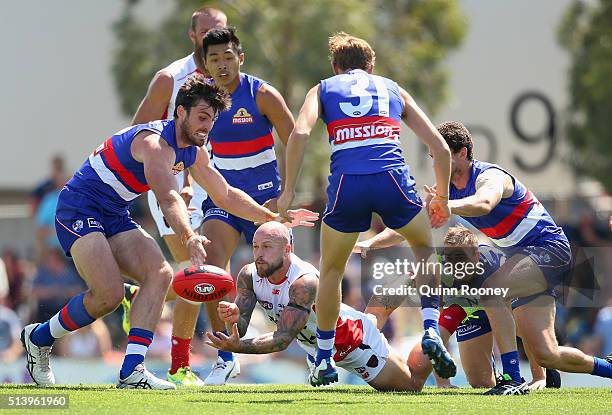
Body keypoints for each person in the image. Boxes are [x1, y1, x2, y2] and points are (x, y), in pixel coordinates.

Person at [20, 76, 317, 389]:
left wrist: (273, 216)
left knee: (159, 274)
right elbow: (168, 198)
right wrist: (189, 236)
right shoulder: (155, 144)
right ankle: (38, 339)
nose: (207, 126)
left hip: (114, 213)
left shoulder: (192, 150)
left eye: (213, 120)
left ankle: (132, 371)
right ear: (180, 113)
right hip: (79, 208)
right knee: (107, 295)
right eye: (202, 117)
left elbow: (225, 194)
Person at [363, 121, 612, 394]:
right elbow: (411, 225)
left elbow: (484, 203)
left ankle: (512, 379)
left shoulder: (489, 177)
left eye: (440, 156)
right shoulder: (447, 190)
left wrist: (445, 205)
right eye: (434, 157)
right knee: (546, 354)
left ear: (462, 152)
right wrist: (372, 243)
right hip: (523, 260)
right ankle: (608, 369)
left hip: (549, 249)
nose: (436, 163)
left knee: (491, 292)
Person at [277, 32, 454, 386]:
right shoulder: (392, 88)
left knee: (331, 270)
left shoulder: (323, 89)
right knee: (423, 249)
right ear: (371, 66)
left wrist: (288, 192)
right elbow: (441, 148)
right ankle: (431, 329)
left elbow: (299, 132)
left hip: (348, 185)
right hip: (393, 179)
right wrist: (442, 198)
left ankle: (325, 359)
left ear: (334, 66)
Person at [167, 26, 295, 385]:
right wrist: (190, 184)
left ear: (240, 57)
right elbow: (189, 148)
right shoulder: (201, 104)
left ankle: (321, 352)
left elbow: (296, 140)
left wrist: (287, 194)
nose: (222, 65)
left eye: (228, 57)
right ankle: (226, 356)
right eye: (214, 59)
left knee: (285, 282)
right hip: (222, 201)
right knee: (208, 270)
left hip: (264, 202)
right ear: (204, 64)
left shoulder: (263, 94)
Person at [204, 222, 426, 392]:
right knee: (371, 317)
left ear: (287, 249)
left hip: (352, 345)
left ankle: (435, 337)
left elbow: (282, 339)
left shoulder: (304, 282)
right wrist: (233, 317)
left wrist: (237, 347)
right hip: (317, 343)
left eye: (267, 247)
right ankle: (412, 275)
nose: (259, 254)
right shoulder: (249, 274)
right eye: (255, 246)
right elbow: (240, 328)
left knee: (412, 385)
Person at [129, 6, 227, 386]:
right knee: (194, 266)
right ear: (193, 36)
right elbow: (138, 131)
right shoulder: (170, 78)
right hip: (172, 178)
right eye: (207, 33)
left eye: (221, 32)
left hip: (212, 176)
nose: (214, 39)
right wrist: (171, 175)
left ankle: (139, 296)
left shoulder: (230, 77)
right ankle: (180, 364)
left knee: (204, 269)